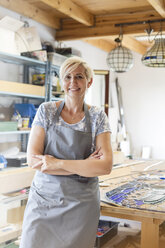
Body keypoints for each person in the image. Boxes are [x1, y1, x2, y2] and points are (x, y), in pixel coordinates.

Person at [20, 56, 113, 248]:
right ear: (62, 81)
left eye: (79, 76)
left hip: (81, 206)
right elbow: (34, 161)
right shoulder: (46, 111)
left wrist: (58, 163)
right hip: (44, 201)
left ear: (89, 81)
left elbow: (105, 166)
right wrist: (85, 166)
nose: (73, 82)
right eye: (67, 76)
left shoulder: (97, 116)